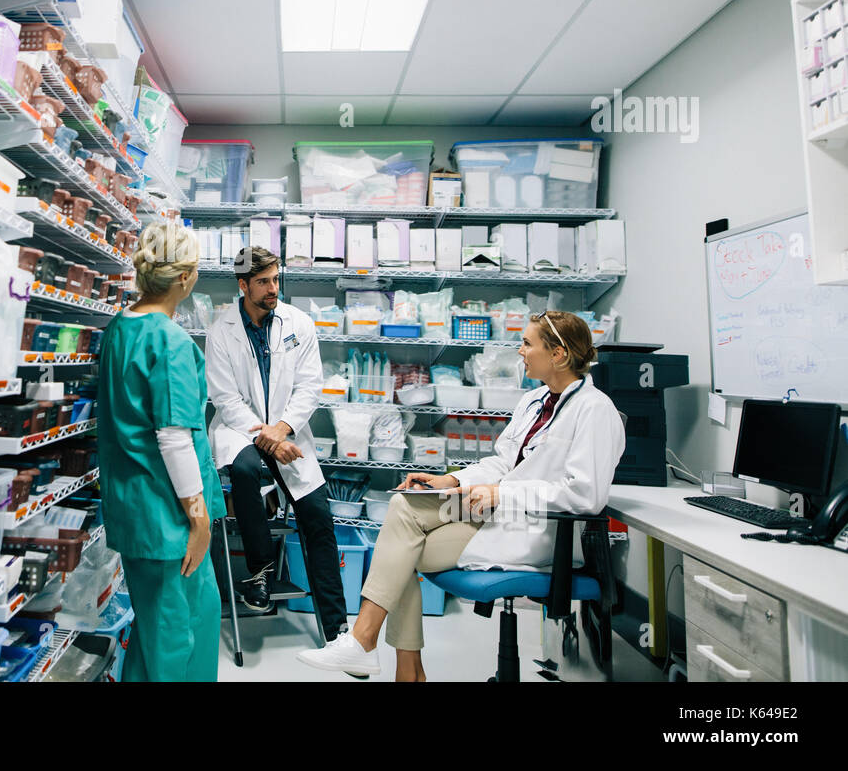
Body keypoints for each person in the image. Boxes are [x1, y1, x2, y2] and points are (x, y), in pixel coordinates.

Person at [298, 310, 626, 680]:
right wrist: (449, 482)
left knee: (401, 546)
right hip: (495, 509)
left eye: (527, 343)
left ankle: (384, 655)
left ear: (559, 354)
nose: (520, 351)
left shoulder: (596, 410)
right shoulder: (534, 401)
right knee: (403, 506)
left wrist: (503, 496)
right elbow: (503, 464)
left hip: (538, 528)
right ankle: (376, 650)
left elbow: (584, 495)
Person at [97, 220, 226, 682]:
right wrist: (198, 518)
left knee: (160, 628)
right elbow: (173, 438)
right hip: (168, 516)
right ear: (186, 278)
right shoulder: (168, 340)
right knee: (177, 635)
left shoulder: (120, 329)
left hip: (138, 508)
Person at [205, 246, 349, 645]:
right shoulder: (221, 331)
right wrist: (262, 434)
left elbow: (310, 385)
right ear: (243, 285)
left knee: (318, 515)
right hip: (240, 429)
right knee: (247, 470)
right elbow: (224, 397)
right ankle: (258, 574)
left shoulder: (298, 323)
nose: (273, 288)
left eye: (276, 279)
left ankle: (336, 627)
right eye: (264, 282)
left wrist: (281, 429)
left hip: (289, 432)